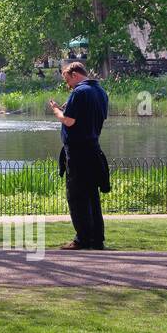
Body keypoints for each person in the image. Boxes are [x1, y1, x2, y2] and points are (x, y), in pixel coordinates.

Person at [48, 61, 109, 250]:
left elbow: (69, 121)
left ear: (75, 74)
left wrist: (56, 110)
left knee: (76, 196)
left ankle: (82, 239)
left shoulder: (79, 92)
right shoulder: (101, 92)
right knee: (92, 196)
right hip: (93, 148)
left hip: (78, 152)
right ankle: (96, 239)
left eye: (68, 80)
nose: (68, 85)